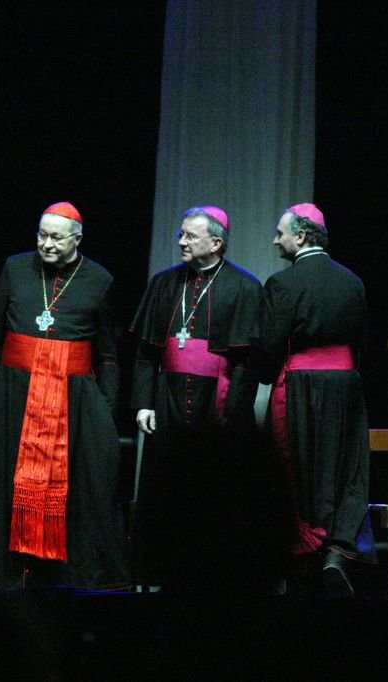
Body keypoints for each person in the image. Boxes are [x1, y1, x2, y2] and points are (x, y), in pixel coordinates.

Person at [0, 201, 130, 589]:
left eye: (56, 237)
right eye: (42, 235)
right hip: (15, 393)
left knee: (80, 485)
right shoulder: (14, 268)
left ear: (77, 239)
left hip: (72, 397)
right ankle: (7, 573)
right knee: (9, 481)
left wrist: (106, 410)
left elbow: (108, 354)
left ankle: (65, 573)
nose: (46, 244)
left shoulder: (100, 279)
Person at [128, 206, 283, 591]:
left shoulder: (245, 287)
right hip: (167, 399)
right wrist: (143, 403)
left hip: (219, 401)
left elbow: (248, 360)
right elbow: (147, 351)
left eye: (189, 236)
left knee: (216, 491)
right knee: (165, 487)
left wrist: (235, 411)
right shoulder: (163, 284)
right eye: (181, 234)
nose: (180, 242)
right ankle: (158, 570)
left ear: (215, 243)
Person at [256, 203, 375, 597]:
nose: (275, 240)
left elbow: (272, 345)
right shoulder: (354, 281)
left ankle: (303, 565)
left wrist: (262, 374)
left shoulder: (282, 284)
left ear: (301, 236)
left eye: (280, 233)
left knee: (301, 470)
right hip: (346, 386)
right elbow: (362, 343)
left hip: (302, 386)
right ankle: (336, 554)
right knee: (342, 469)